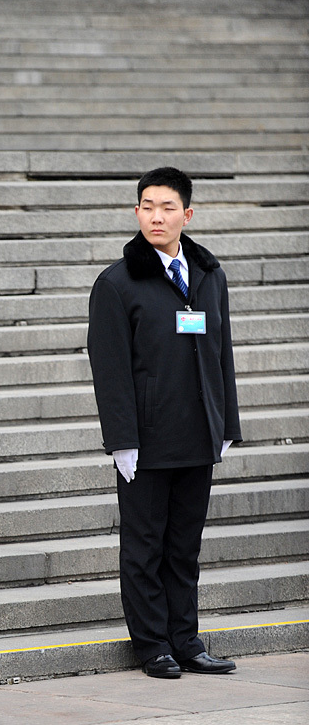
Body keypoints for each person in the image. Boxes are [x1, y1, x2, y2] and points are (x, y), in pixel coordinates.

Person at [87, 166, 242, 679]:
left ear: (187, 214)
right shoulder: (117, 283)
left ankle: (187, 640)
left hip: (197, 435)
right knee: (144, 548)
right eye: (147, 207)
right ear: (136, 213)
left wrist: (225, 423)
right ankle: (152, 645)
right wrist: (121, 441)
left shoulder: (208, 275)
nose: (156, 216)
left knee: (184, 547)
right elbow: (109, 370)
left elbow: (221, 355)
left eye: (167, 207)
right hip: (146, 442)